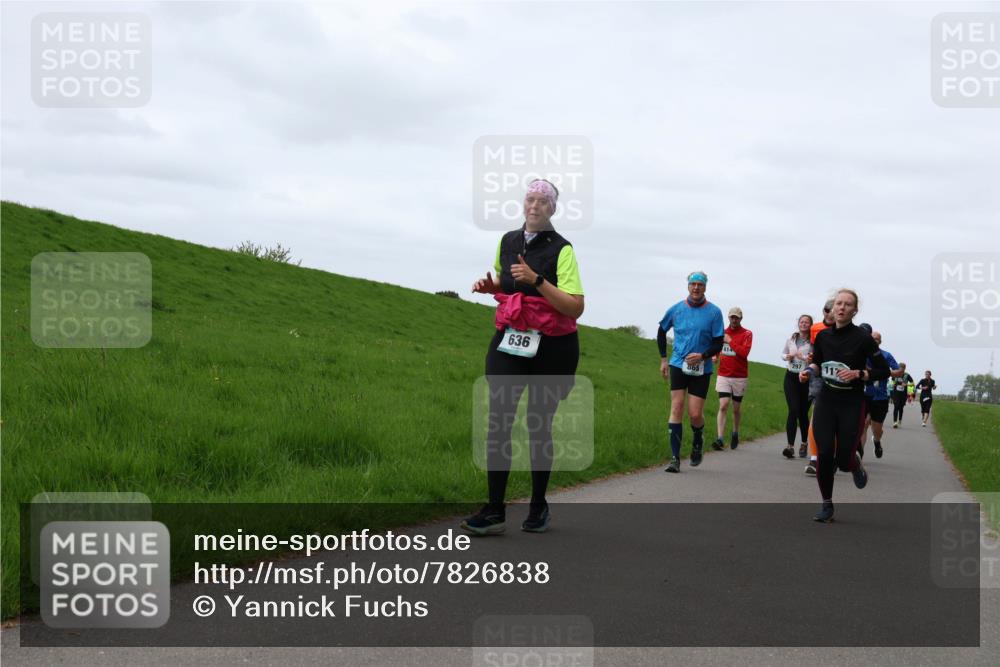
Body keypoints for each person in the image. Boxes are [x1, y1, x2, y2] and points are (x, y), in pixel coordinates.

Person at [461, 179, 585, 536]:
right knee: (499, 418)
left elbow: (575, 307)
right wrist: (493, 287)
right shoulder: (507, 241)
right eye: (530, 199)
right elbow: (508, 282)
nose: (535, 206)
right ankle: (495, 509)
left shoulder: (563, 250)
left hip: (554, 347)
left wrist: (538, 281)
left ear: (552, 209)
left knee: (537, 424)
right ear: (523, 203)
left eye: (543, 201)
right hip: (511, 338)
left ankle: (538, 506)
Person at [799, 289, 889, 523]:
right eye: (838, 303)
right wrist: (808, 371)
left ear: (854, 310)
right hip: (826, 401)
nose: (841, 308)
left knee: (844, 460)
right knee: (825, 453)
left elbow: (883, 370)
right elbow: (818, 363)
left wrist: (859, 373)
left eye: (847, 305)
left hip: (852, 402)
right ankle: (826, 504)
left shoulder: (863, 338)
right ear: (832, 308)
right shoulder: (823, 337)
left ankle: (854, 463)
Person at [657, 271, 725, 472]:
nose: (696, 288)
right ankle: (675, 459)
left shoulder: (714, 312)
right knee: (676, 408)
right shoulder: (677, 309)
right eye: (693, 284)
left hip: (702, 367)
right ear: (688, 286)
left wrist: (702, 356)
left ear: (705, 287)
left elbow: (718, 342)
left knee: (695, 414)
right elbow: (661, 331)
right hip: (678, 363)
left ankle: (698, 438)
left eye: (700, 285)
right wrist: (663, 359)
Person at [711, 307, 753, 451]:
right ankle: (720, 439)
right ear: (728, 318)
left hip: (739, 376)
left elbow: (744, 353)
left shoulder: (747, 334)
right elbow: (718, 346)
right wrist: (715, 355)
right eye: (732, 317)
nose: (734, 320)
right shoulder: (722, 332)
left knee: (736, 409)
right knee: (723, 405)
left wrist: (730, 341)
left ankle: (735, 432)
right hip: (723, 374)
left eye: (736, 317)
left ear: (741, 319)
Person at [803, 299, 835, 475]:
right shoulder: (815, 329)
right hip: (819, 377)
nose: (829, 312)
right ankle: (814, 459)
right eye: (826, 309)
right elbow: (815, 351)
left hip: (839, 379)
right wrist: (811, 362)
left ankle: (832, 455)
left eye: (832, 309)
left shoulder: (848, 331)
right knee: (816, 416)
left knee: (833, 421)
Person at [860, 331, 903, 458]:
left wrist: (887, 372)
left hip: (880, 397)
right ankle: (859, 455)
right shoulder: (862, 354)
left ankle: (877, 441)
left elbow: (897, 371)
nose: (874, 341)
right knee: (863, 424)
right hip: (864, 394)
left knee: (876, 429)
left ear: (880, 341)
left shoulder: (886, 355)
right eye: (872, 338)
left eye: (877, 339)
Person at [781, 315, 813, 459]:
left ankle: (804, 443)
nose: (804, 324)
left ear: (811, 325)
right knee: (793, 410)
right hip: (791, 377)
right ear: (798, 324)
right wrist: (787, 356)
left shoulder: (813, 342)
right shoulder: (791, 339)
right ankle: (790, 446)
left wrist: (805, 358)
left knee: (802, 413)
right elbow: (783, 353)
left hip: (806, 379)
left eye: (807, 322)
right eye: (802, 322)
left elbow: (815, 359)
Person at [891, 363, 913, 427]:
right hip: (896, 393)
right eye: (899, 368)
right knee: (896, 406)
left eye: (902, 368)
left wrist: (906, 385)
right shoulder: (895, 374)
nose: (900, 369)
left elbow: (912, 383)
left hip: (903, 394)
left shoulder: (907, 375)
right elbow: (893, 380)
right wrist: (894, 384)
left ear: (904, 368)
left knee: (901, 407)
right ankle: (895, 422)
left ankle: (900, 420)